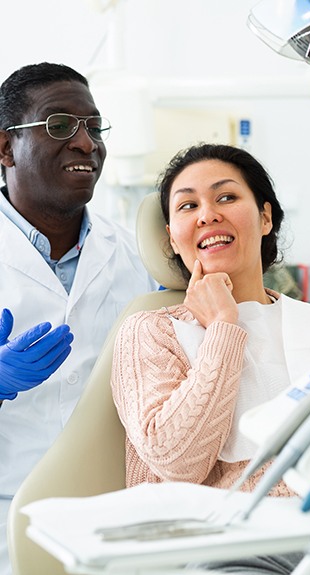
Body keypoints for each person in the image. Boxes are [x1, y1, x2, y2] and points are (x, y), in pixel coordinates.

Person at [111, 143, 310, 575]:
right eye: (188, 205)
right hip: (223, 544)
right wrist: (223, 328)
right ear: (172, 236)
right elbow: (177, 461)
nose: (207, 214)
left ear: (265, 218)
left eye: (226, 197)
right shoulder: (151, 331)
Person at [0, 62, 157, 574]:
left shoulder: (134, 257)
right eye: (60, 125)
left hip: (110, 515)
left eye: (93, 126)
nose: (87, 143)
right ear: (5, 149)